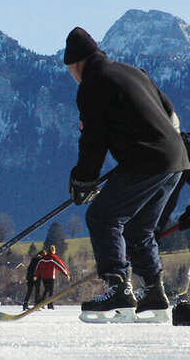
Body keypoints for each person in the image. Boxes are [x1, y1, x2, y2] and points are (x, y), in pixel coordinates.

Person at [64, 27, 190, 322]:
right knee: (139, 229)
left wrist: (83, 179)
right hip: (177, 159)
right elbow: (171, 115)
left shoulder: (93, 84)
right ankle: (155, 294)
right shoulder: (135, 72)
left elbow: (93, 139)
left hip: (146, 161)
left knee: (102, 217)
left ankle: (118, 287)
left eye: (70, 69)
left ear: (76, 64)